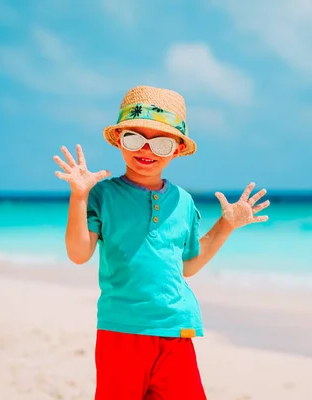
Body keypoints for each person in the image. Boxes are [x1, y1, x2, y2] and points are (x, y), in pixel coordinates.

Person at [53, 85, 270, 400]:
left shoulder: (183, 202)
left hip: (176, 329)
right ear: (119, 140)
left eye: (162, 142)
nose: (147, 150)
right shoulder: (104, 195)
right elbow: (78, 253)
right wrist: (79, 194)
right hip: (122, 330)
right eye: (134, 138)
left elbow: (188, 265)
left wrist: (226, 224)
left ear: (178, 148)